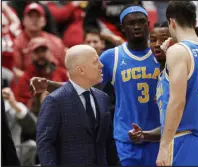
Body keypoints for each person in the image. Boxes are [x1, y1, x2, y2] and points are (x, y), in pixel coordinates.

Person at [30, 5, 161, 166]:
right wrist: (48, 85)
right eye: (131, 23)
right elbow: (81, 86)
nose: (137, 26)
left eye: (141, 22)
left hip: (158, 137)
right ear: (122, 27)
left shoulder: (161, 55)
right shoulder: (111, 56)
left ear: (148, 24)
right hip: (126, 141)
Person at [131, 2, 198, 166]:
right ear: (194, 22)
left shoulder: (178, 51)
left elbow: (177, 102)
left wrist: (164, 146)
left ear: (171, 22)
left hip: (182, 140)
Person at [36, 45, 119, 166]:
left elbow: (109, 143)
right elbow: (45, 144)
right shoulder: (54, 101)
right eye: (96, 62)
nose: (101, 65)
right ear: (81, 70)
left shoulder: (103, 98)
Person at [14, 37, 68, 116]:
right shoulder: (26, 78)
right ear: (31, 55)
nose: (41, 55)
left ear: (50, 52)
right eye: (36, 52)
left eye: (43, 51)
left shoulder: (61, 73)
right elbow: (22, 108)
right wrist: (39, 99)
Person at [1, 92, 20, 166]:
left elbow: (32, 126)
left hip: (13, 151)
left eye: (7, 93)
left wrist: (14, 105)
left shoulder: (18, 107)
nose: (5, 96)